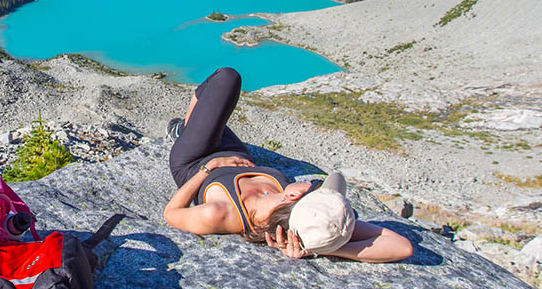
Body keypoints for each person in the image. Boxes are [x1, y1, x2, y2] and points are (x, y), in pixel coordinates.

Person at [164, 67, 413, 263]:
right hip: (234, 152)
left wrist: (209, 168)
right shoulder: (316, 217)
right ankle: (189, 127)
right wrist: (327, 247)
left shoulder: (220, 214)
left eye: (314, 186)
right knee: (223, 91)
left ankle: (182, 131)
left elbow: (171, 214)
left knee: (226, 78)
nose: (310, 183)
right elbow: (402, 246)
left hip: (195, 162)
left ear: (294, 194)